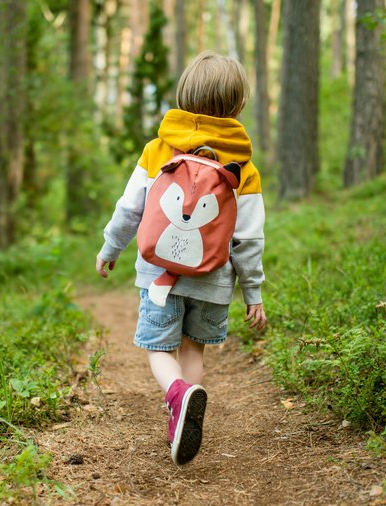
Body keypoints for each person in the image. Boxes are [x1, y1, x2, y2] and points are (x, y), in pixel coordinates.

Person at [95, 51, 267, 465]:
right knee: (193, 350)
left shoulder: (158, 149)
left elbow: (130, 208)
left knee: (158, 348)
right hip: (213, 279)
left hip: (160, 275)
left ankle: (178, 396)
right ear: (238, 105)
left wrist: (109, 248)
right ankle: (185, 410)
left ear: (184, 96)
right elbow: (248, 238)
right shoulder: (243, 165)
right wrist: (253, 292)